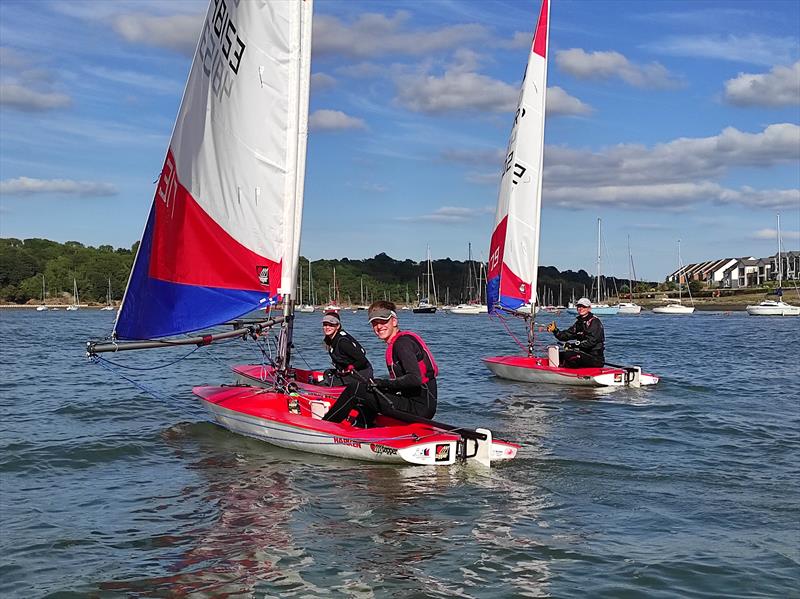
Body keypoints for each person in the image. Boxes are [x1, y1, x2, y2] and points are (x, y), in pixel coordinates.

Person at [322, 300, 438, 427]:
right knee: (367, 388)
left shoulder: (402, 344)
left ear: (394, 321)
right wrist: (378, 385)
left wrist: (382, 383)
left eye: (383, 321)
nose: (379, 327)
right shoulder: (399, 342)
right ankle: (362, 427)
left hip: (419, 409)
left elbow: (414, 379)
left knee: (354, 389)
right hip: (415, 403)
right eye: (374, 323)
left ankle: (325, 426)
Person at [546, 297, 605, 368]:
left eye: (584, 307)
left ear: (589, 308)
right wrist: (555, 330)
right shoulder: (579, 323)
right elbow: (566, 335)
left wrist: (572, 345)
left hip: (595, 358)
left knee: (569, 355)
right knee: (558, 355)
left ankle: (566, 373)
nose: (581, 309)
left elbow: (591, 341)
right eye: (579, 307)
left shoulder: (594, 322)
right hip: (583, 354)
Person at [320, 311, 373, 385]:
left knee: (327, 382)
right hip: (347, 372)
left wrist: (350, 367)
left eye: (331, 325)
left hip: (361, 374)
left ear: (337, 326)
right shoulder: (331, 340)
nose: (327, 327)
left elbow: (362, 360)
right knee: (327, 373)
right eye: (325, 325)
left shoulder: (343, 342)